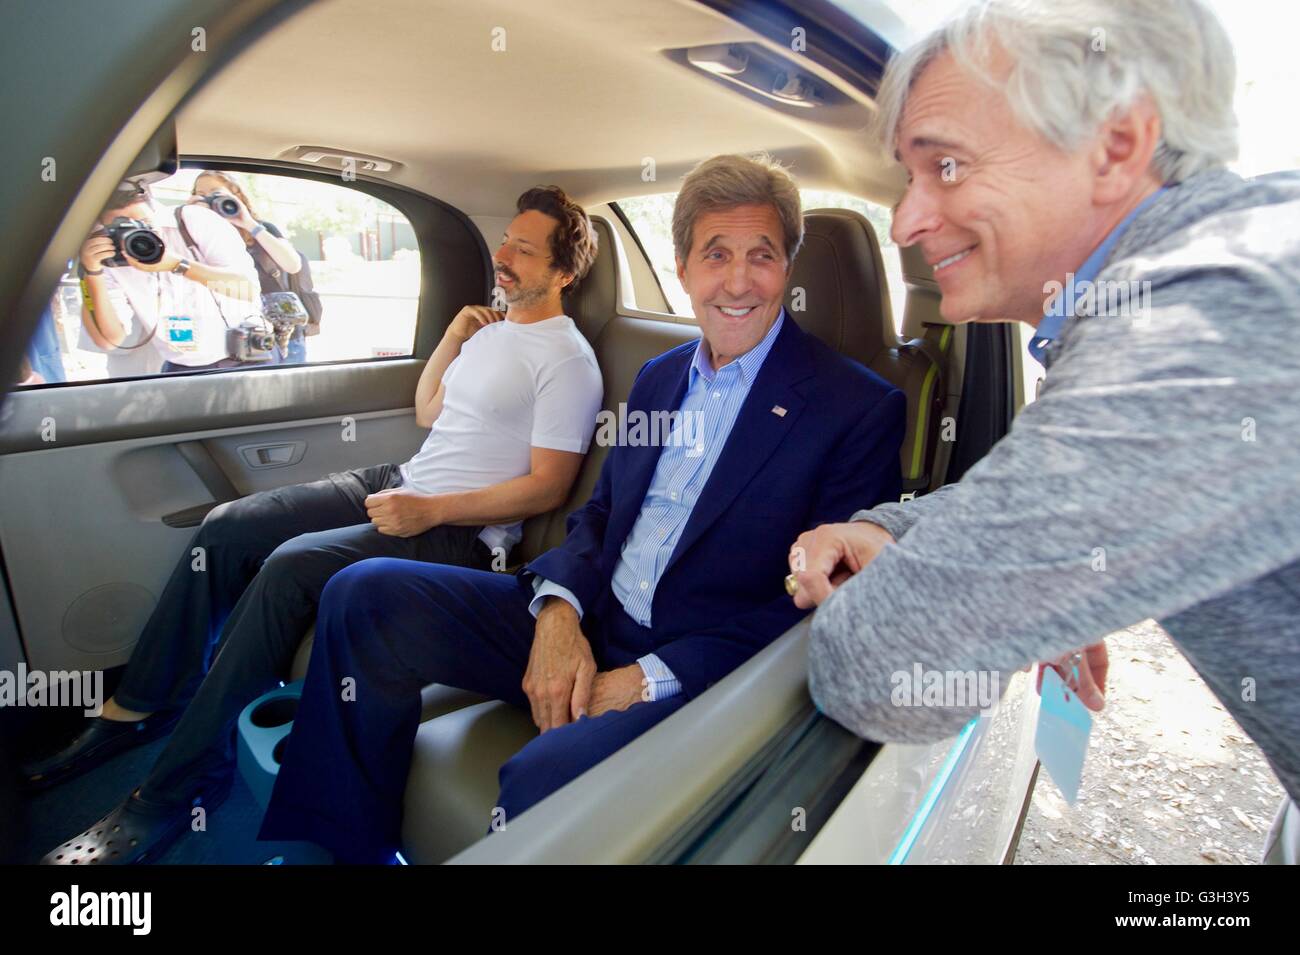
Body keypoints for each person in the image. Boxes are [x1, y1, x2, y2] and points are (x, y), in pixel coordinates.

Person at [254, 153, 908, 863]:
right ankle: (341, 847)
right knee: (363, 592)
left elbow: (818, 607)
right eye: (715, 254)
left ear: (788, 267)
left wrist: (648, 678)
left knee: (544, 779)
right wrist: (559, 610)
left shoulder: (857, 408)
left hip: (695, 665)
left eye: (763, 255)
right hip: (593, 614)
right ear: (684, 267)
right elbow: (599, 515)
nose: (740, 279)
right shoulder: (659, 378)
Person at [791, 0, 1300, 864]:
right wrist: (896, 528)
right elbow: (1048, 491)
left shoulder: (1191, 324)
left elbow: (876, 664)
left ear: (1117, 146)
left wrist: (1004, 582)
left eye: (945, 166)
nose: (905, 222)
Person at [34, 186, 606, 865]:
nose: (504, 256)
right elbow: (429, 411)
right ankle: (139, 706)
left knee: (288, 566)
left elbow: (549, 486)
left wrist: (431, 510)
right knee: (231, 526)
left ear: (564, 272)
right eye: (507, 239)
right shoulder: (496, 330)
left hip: (459, 529)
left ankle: (170, 791)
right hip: (402, 478)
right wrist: (455, 335)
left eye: (525, 249)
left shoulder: (567, 360)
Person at [77, 180, 265, 373]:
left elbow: (247, 289)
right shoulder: (109, 256)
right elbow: (108, 340)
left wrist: (178, 265)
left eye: (145, 223)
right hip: (181, 367)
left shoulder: (194, 221)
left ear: (155, 210)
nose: (138, 234)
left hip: (245, 357)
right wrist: (91, 273)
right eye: (122, 228)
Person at [189, 170, 319, 364]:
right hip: (229, 338)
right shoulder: (193, 236)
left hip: (281, 334)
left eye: (216, 193)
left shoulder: (261, 228)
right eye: (201, 194)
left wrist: (248, 224)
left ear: (236, 196)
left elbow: (292, 265)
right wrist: (190, 215)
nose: (208, 199)